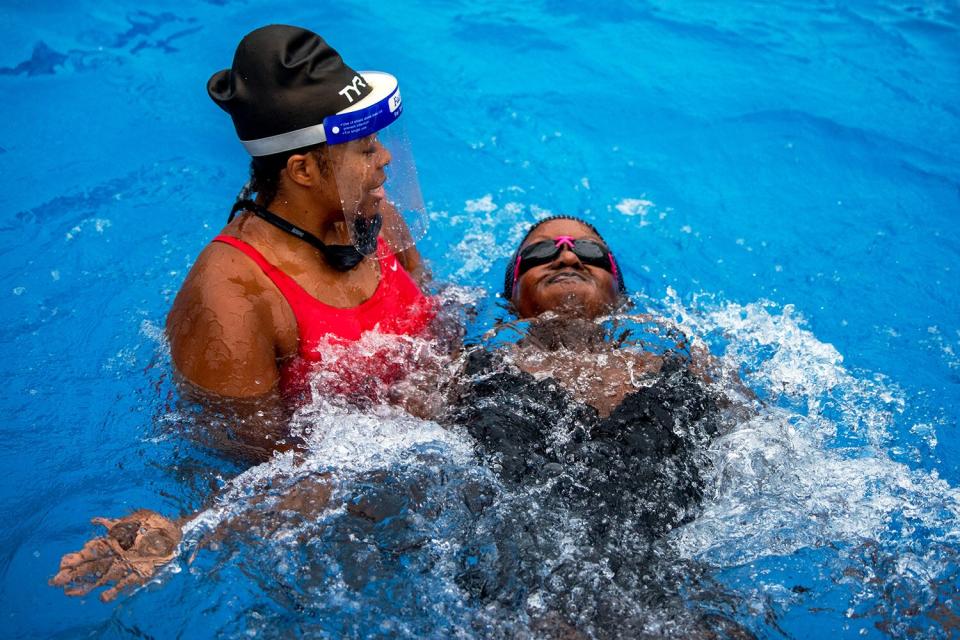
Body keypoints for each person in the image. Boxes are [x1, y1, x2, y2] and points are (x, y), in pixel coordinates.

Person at [52, 217, 748, 620]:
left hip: (678, 590)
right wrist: (192, 528)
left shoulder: (694, 368)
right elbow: (344, 460)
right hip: (537, 602)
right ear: (513, 297)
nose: (566, 255)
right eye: (541, 253)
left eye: (588, 251)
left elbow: (804, 476)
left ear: (615, 290)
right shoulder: (457, 376)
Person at [165, 25, 438, 456]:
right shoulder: (233, 296)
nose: (385, 157)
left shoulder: (375, 214)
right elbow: (257, 464)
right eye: (366, 149)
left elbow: (436, 311)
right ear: (303, 171)